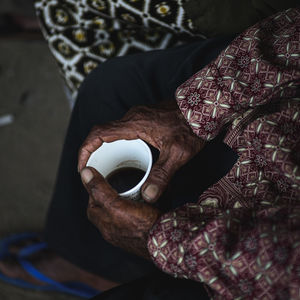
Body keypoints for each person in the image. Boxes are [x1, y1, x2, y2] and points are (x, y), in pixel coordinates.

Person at [0, 5, 299, 300]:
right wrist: (194, 110)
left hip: (260, 269)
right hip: (284, 114)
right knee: (111, 88)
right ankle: (87, 260)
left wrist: (159, 237)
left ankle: (104, 270)